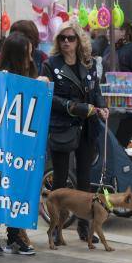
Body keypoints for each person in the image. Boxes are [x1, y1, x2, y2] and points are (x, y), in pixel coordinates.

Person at [41, 19, 108, 245]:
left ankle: (84, 226)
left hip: (88, 127)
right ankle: (57, 231)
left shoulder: (88, 63)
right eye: (62, 38)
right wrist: (74, 107)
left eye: (71, 38)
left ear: (79, 40)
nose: (67, 42)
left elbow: (95, 91)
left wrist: (102, 106)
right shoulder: (51, 64)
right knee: (59, 181)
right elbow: (49, 96)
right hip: (63, 126)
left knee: (84, 179)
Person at [0, 32, 40, 256]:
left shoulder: (29, 74)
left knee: (18, 187)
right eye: (27, 52)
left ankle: (13, 235)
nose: (31, 56)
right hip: (1, 143)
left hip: (22, 143)